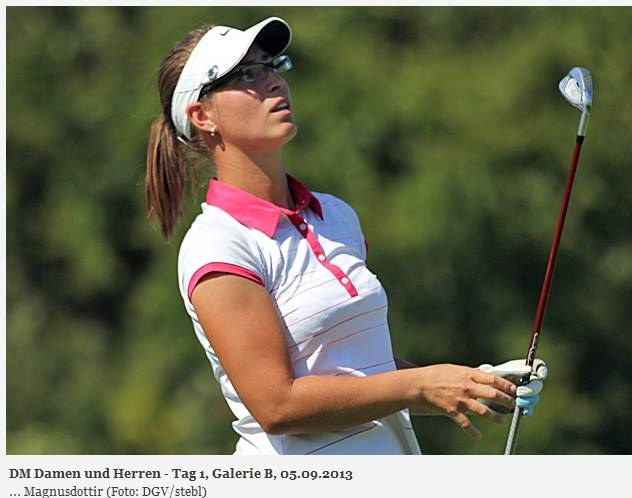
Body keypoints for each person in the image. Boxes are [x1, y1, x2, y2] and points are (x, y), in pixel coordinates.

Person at [144, 16, 548, 455]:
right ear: (202, 116)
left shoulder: (335, 216)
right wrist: (420, 384)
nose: (275, 82)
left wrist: (471, 383)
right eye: (246, 76)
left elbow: (361, 372)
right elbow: (277, 405)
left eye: (272, 66)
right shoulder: (218, 243)